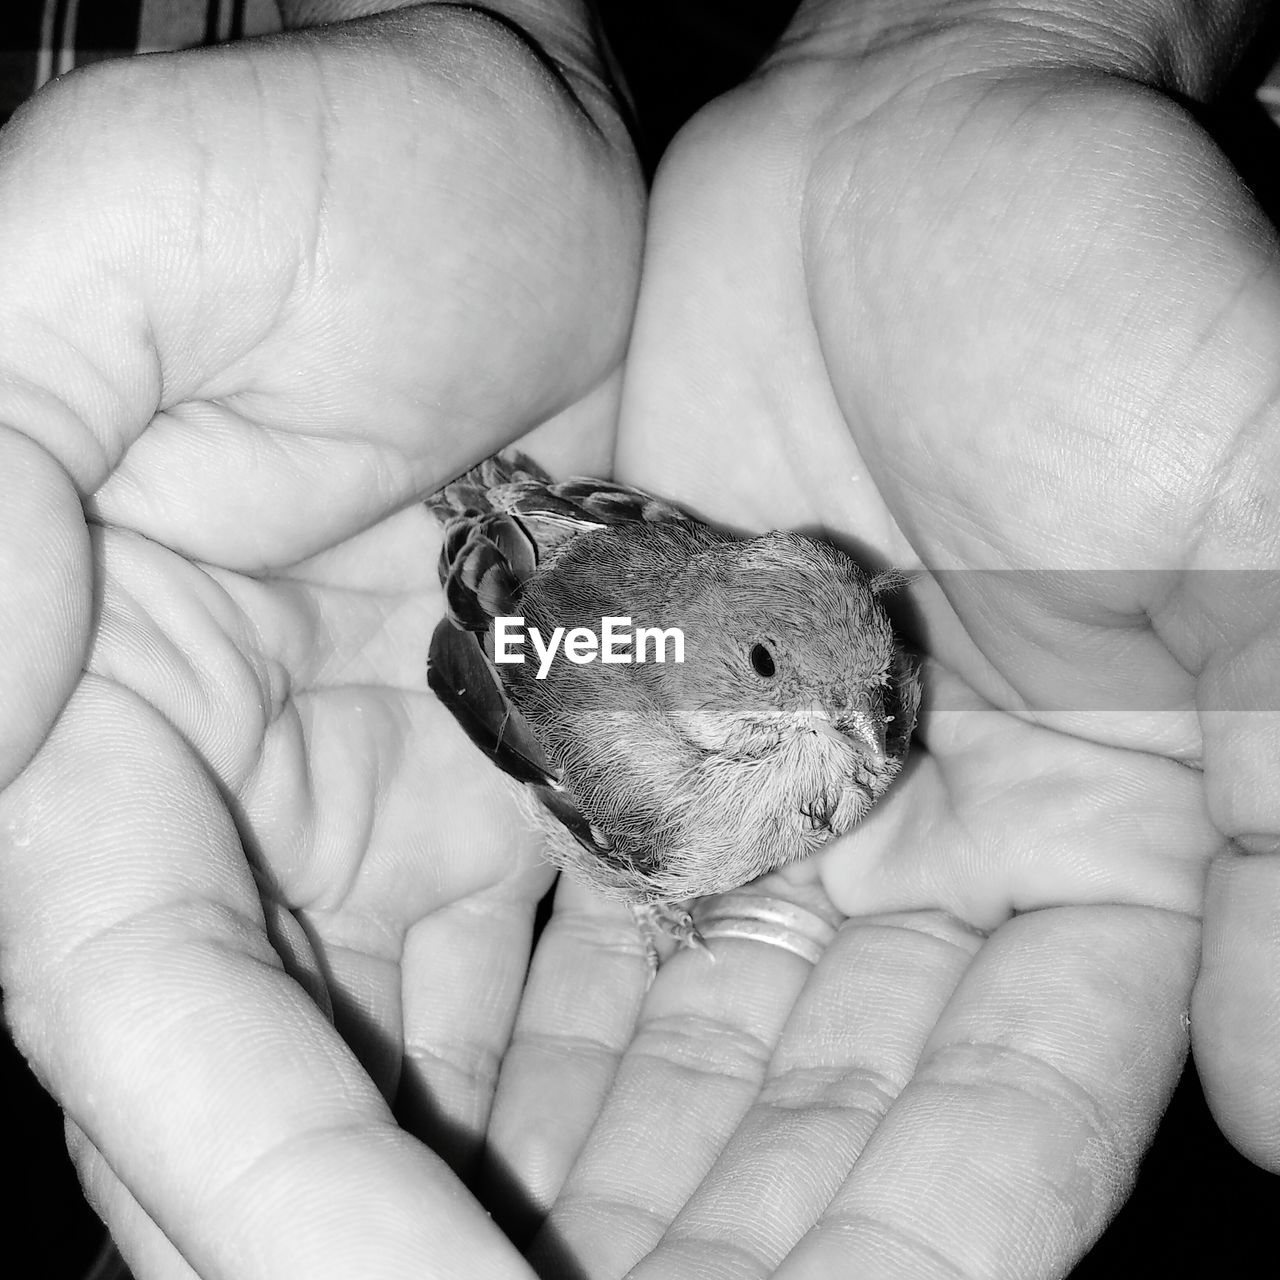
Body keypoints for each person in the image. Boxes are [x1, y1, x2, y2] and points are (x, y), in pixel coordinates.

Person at [0, 1, 1276, 1277]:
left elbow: (650, 533)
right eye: (798, 681)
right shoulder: (646, 776)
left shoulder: (806, 665)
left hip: (568, 526)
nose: (861, 716)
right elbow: (493, 670)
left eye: (866, 680)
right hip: (517, 584)